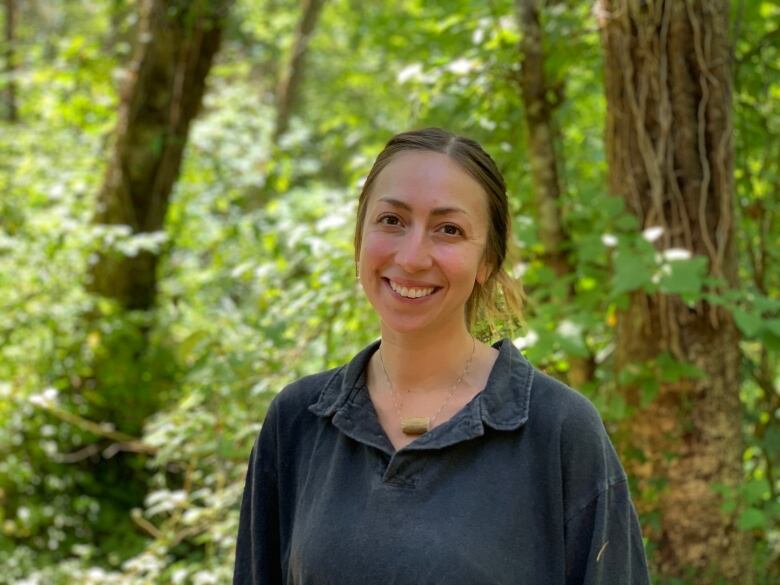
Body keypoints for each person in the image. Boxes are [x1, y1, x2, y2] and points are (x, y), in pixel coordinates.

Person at [233, 128, 650, 585]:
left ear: (487, 261)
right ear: (359, 238)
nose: (412, 257)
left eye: (448, 229)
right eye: (392, 220)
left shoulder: (559, 431)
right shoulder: (297, 422)